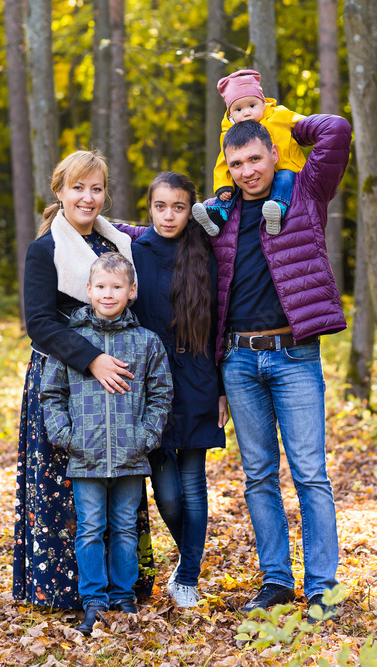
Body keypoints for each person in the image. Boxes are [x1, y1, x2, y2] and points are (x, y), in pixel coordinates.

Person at [203, 116, 351, 614]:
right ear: (229, 166)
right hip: (239, 361)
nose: (247, 171)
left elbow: (336, 129)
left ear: (273, 153)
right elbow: (163, 228)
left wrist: (277, 118)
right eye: (238, 163)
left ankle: (323, 589)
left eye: (256, 159)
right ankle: (275, 582)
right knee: (259, 476)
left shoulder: (304, 194)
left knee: (310, 474)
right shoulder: (218, 218)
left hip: (294, 355)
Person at [13, 150, 156, 611]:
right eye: (78, 187)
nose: (87, 198)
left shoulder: (117, 248)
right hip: (65, 375)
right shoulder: (46, 250)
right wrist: (92, 359)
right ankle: (66, 591)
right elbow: (40, 323)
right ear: (60, 191)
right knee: (64, 487)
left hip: (119, 387)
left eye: (96, 189)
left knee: (118, 493)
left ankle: (122, 590)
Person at [40, 252, 173, 634]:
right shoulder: (72, 342)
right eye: (101, 287)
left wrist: (145, 436)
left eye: (117, 287)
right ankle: (94, 602)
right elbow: (52, 393)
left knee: (126, 528)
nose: (108, 294)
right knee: (91, 527)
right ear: (88, 291)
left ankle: (123, 598)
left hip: (132, 455)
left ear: (132, 292)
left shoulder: (146, 343)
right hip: (85, 455)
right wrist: (66, 436)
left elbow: (161, 393)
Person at [131, 172, 228, 608]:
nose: (169, 215)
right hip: (149, 384)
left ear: (192, 209)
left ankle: (186, 577)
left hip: (196, 378)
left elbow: (221, 325)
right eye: (160, 206)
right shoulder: (134, 252)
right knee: (167, 495)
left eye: (179, 207)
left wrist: (222, 388)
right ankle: (188, 561)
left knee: (193, 482)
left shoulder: (205, 251)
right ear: (149, 208)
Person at [192, 69, 307, 237]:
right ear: (230, 114)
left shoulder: (279, 115)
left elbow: (301, 121)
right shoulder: (230, 134)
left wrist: (311, 129)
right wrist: (222, 185)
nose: (246, 112)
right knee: (231, 190)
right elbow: (223, 162)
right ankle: (218, 215)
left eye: (252, 106)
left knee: (285, 178)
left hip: (284, 166)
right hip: (252, 182)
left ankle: (277, 208)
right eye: (238, 109)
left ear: (263, 103)